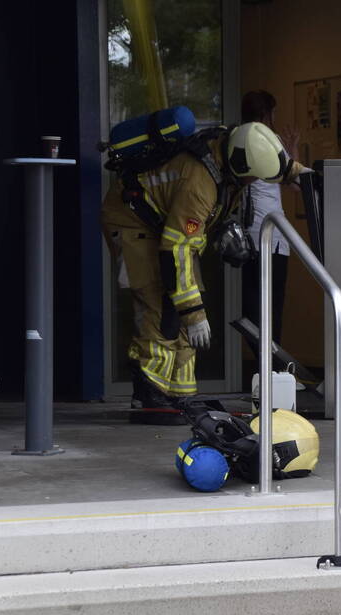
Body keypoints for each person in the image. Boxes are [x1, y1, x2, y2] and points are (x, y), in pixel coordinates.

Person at [101, 121, 307, 409]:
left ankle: (179, 391)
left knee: (187, 296)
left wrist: (306, 176)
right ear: (239, 167)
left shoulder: (236, 151)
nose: (252, 184)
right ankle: (149, 391)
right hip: (132, 222)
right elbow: (177, 248)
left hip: (165, 226)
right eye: (251, 179)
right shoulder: (198, 183)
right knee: (161, 303)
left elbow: (280, 166)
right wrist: (196, 316)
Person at [239, 91, 298, 358]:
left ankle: (263, 363)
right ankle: (273, 365)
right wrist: (291, 149)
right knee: (272, 306)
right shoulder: (269, 141)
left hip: (246, 235)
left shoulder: (237, 138)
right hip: (273, 235)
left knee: (252, 304)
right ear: (266, 114)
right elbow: (293, 181)